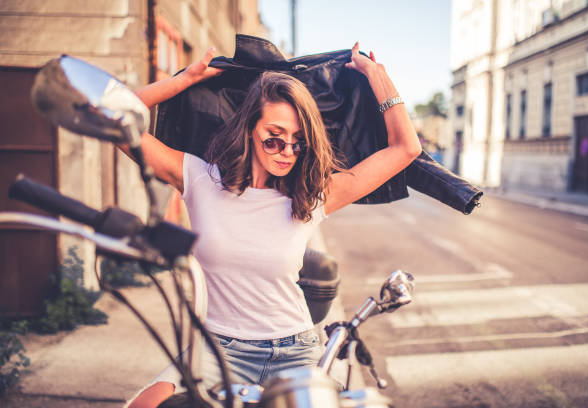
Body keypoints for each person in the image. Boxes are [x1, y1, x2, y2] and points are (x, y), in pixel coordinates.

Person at [127, 42, 421, 408]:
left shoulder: (313, 193)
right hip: (218, 348)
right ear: (249, 129)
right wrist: (188, 77)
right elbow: (117, 119)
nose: (286, 152)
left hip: (295, 351)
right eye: (274, 138)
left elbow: (406, 148)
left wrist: (377, 75)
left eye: (298, 143)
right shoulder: (199, 178)